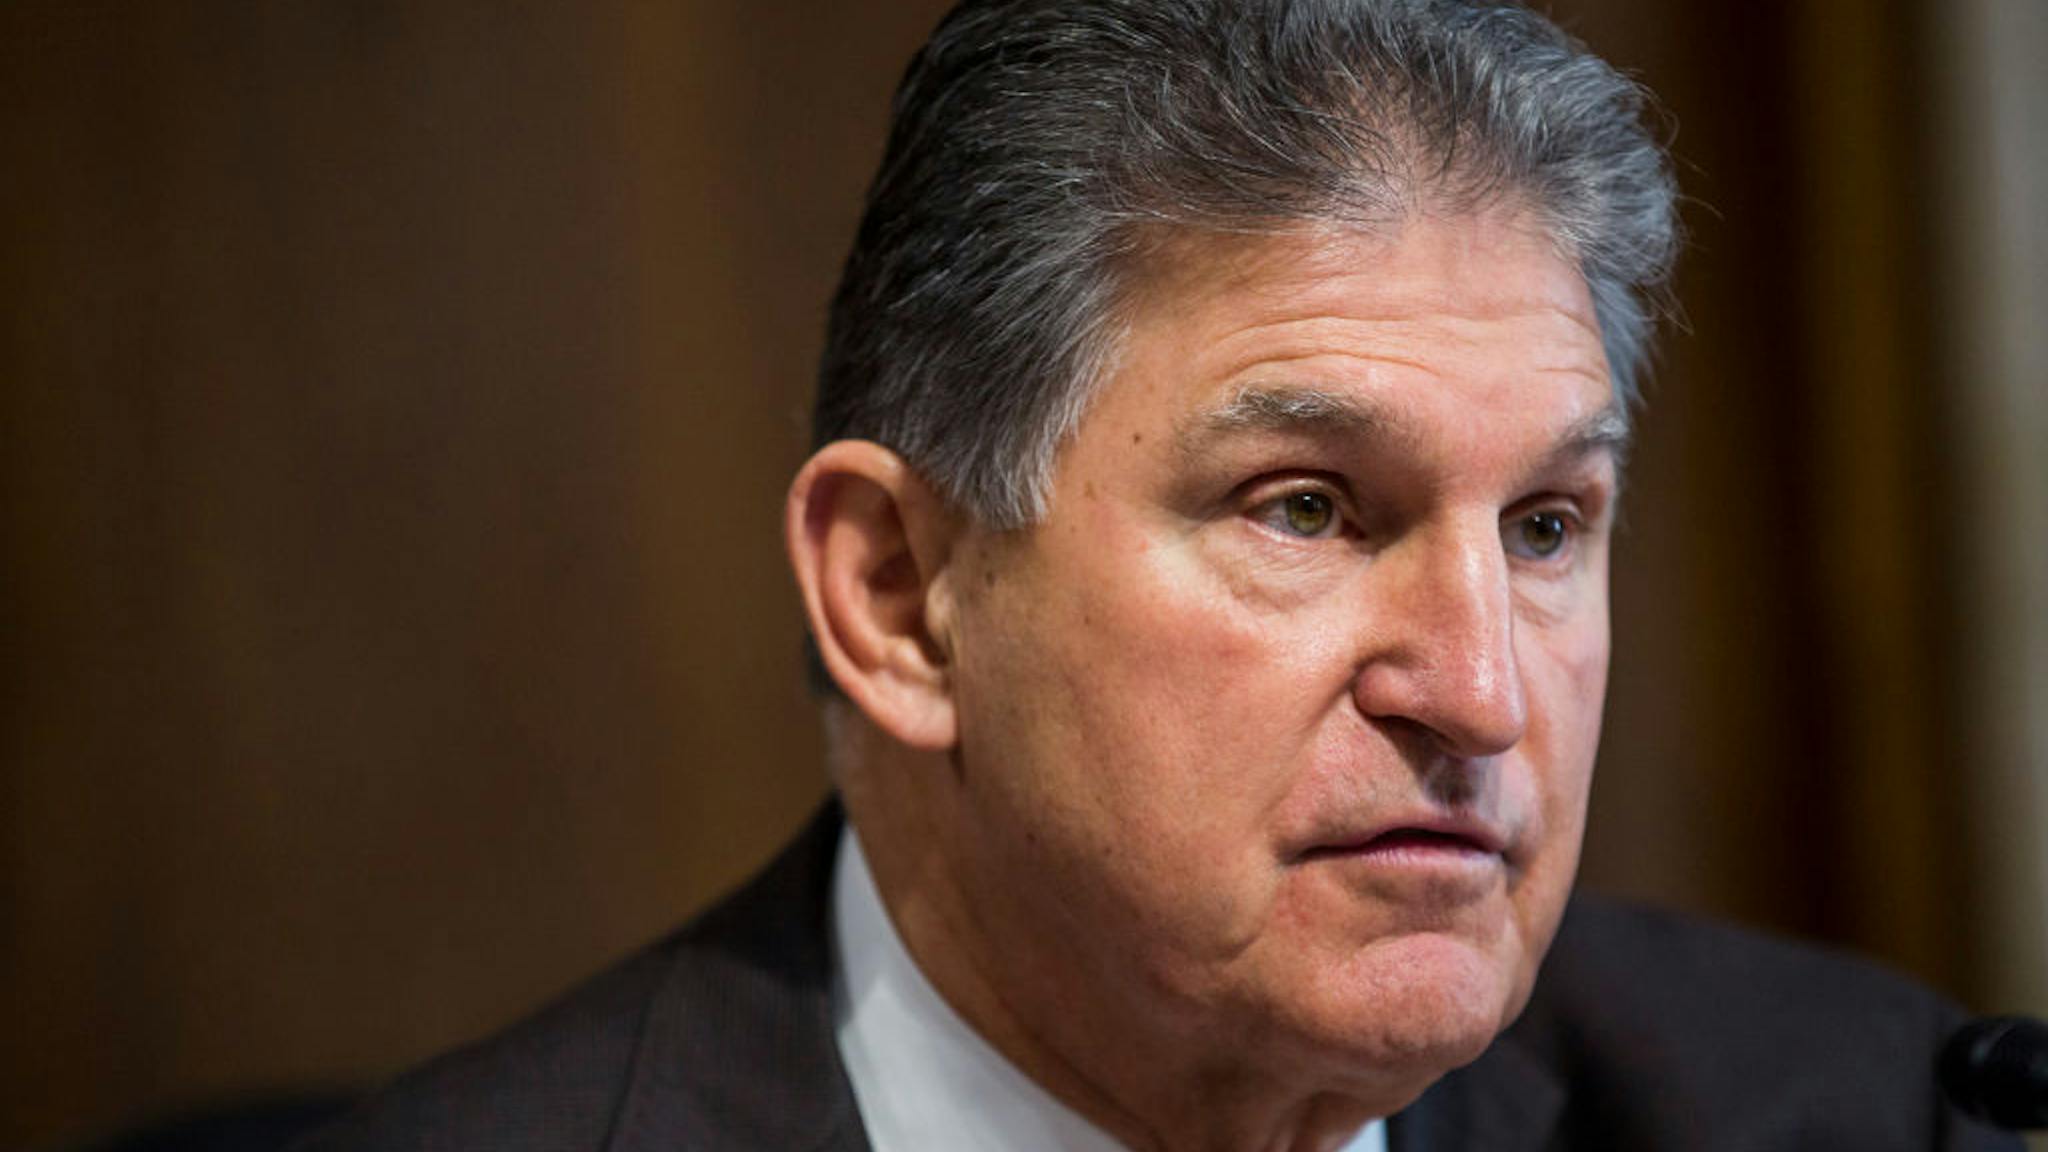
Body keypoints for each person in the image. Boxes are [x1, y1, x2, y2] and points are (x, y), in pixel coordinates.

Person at [298, 1, 2019, 1149]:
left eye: (1546, 526)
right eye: (1308, 510)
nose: (1484, 693)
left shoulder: (1876, 1110)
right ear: (901, 597)